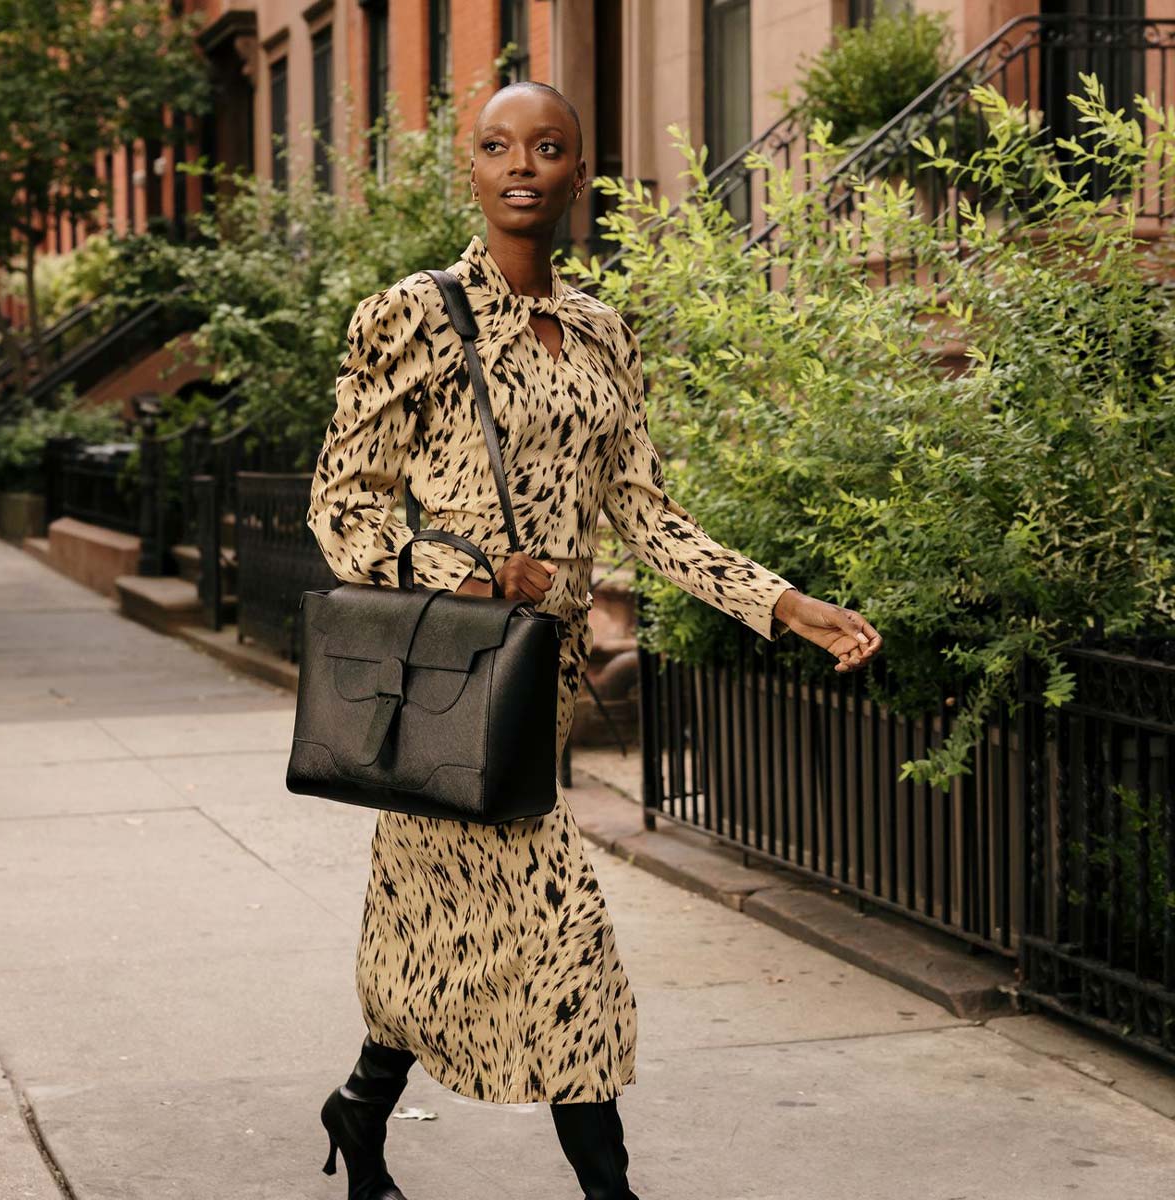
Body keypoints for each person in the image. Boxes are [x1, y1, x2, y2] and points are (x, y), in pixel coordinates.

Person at [306, 80, 882, 1200]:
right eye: (496, 145)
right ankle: (609, 1193)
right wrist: (466, 569)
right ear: (468, 169)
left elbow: (646, 512)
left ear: (580, 172)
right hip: (446, 684)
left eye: (549, 146)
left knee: (450, 940)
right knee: (563, 944)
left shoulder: (605, 334)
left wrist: (781, 602)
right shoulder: (410, 314)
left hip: (542, 687)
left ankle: (361, 1106)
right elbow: (342, 507)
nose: (522, 164)